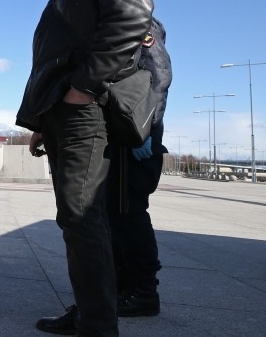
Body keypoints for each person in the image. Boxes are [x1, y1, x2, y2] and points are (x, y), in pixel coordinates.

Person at [15, 0, 153, 336]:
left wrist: (84, 89)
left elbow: (130, 19)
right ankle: (93, 311)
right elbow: (55, 56)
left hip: (85, 108)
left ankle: (98, 326)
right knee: (79, 218)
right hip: (63, 110)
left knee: (81, 214)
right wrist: (43, 118)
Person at [35, 18, 172, 334]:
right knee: (104, 219)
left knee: (127, 215)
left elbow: (158, 76)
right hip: (113, 132)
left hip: (130, 135)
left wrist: (149, 130)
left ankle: (141, 293)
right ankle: (104, 299)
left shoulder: (137, 21)